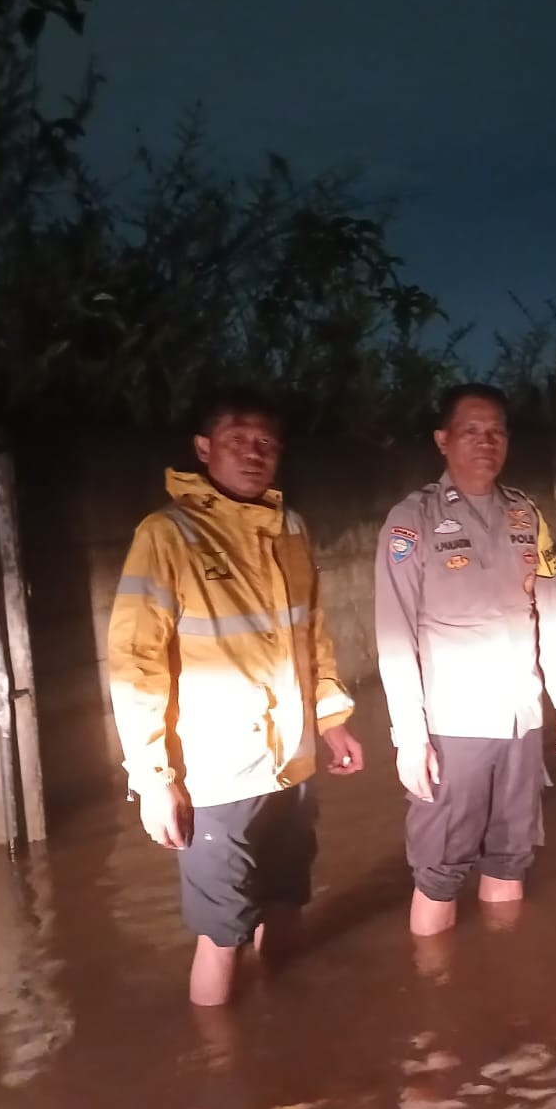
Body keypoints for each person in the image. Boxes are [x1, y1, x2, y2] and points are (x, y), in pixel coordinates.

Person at [108, 387, 365, 1006]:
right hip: (216, 774)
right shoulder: (168, 535)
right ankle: (219, 1069)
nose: (255, 453)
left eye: (267, 443)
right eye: (238, 441)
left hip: (292, 761)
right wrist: (154, 777)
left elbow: (312, 635)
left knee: (286, 903)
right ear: (204, 449)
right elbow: (134, 661)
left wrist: (331, 718)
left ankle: (284, 1034)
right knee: (222, 934)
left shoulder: (291, 528)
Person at [375, 383, 556, 936]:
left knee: (511, 856)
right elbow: (394, 633)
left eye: (496, 431)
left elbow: (555, 610)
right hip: (454, 725)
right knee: (439, 869)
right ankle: (434, 1000)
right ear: (443, 440)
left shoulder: (527, 517)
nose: (485, 442)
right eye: (471, 430)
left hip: (521, 717)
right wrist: (410, 737)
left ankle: (505, 984)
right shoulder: (411, 520)